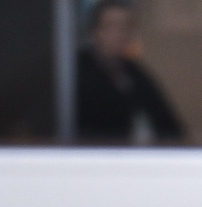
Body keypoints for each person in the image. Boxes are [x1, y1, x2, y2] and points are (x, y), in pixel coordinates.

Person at [77, 0, 184, 145]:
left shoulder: (134, 71)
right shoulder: (76, 72)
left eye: (126, 26)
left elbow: (170, 125)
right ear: (96, 31)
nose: (120, 34)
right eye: (113, 26)